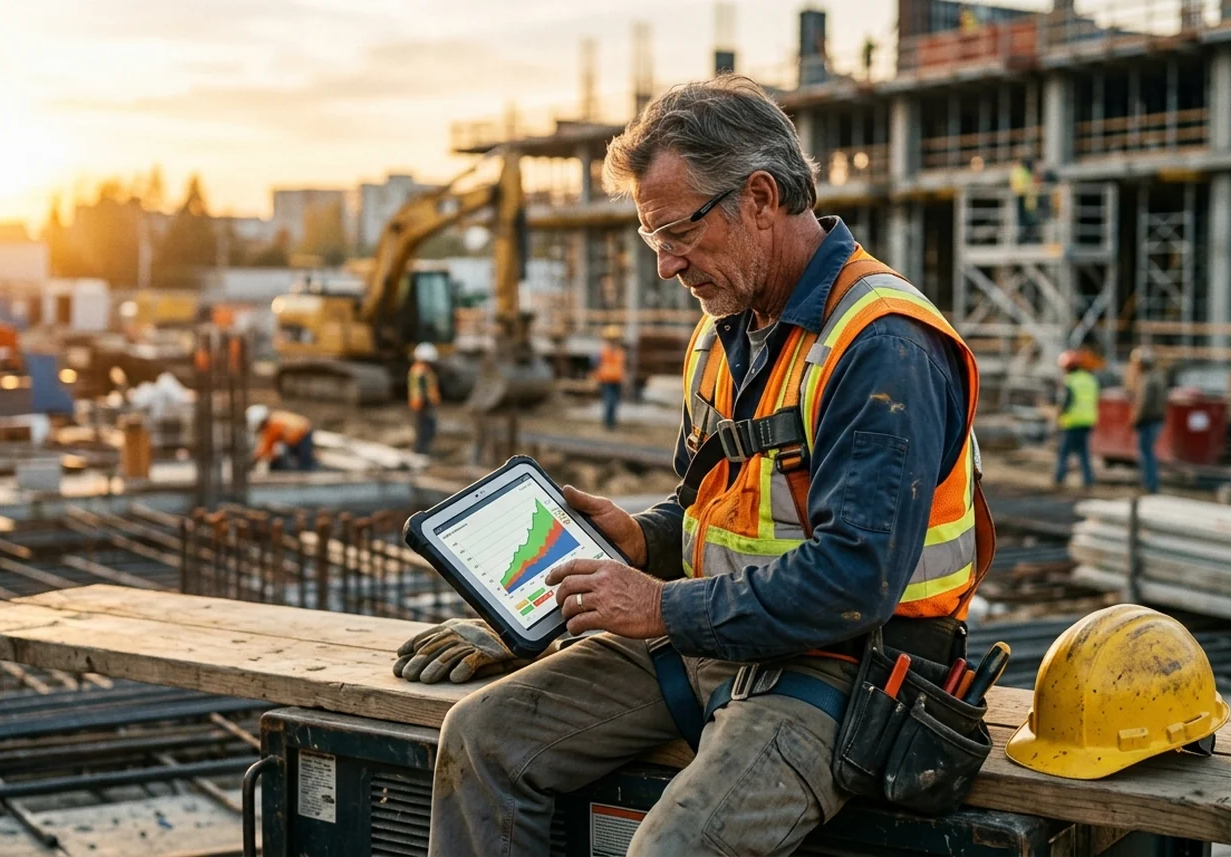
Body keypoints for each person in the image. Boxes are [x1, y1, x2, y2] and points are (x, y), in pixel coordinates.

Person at [399, 76, 991, 857]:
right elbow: (717, 506)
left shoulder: (880, 344)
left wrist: (662, 607)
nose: (667, 265)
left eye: (677, 232)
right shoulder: (723, 333)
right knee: (479, 737)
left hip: (847, 669)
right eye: (655, 240)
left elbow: (855, 578)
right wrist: (644, 539)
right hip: (717, 641)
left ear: (759, 198)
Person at [1054, 349, 1098, 489]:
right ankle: (1088, 480)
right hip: (1088, 421)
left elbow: (1065, 402)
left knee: (1064, 452)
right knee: (1084, 452)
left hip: (1072, 421)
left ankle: (1059, 478)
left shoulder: (1070, 381)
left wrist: (1058, 416)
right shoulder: (1090, 379)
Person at [1129, 346, 1167, 494]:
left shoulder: (1147, 379)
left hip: (1147, 421)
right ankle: (1151, 484)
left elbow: (1143, 403)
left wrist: (1135, 419)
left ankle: (1149, 485)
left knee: (1146, 454)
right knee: (1149, 453)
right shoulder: (1158, 376)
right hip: (1157, 419)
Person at [246, 404, 315, 472]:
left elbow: (267, 446)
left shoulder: (273, 424)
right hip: (297, 436)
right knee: (296, 458)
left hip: (303, 434)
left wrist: (255, 458)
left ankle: (307, 474)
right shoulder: (273, 420)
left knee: (304, 461)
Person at [409, 342, 441, 455]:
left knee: (423, 428)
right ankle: (421, 451)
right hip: (422, 404)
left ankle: (421, 450)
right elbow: (422, 390)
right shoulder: (421, 371)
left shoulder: (422, 370)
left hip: (421, 404)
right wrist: (428, 402)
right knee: (425, 429)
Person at [594, 326, 627, 431]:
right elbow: (597, 364)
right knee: (609, 401)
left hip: (617, 380)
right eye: (612, 340)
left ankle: (612, 422)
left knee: (615, 402)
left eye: (615, 339)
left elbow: (622, 366)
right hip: (607, 379)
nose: (614, 342)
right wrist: (596, 376)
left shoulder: (620, 352)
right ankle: (608, 422)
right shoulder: (604, 351)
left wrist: (624, 378)